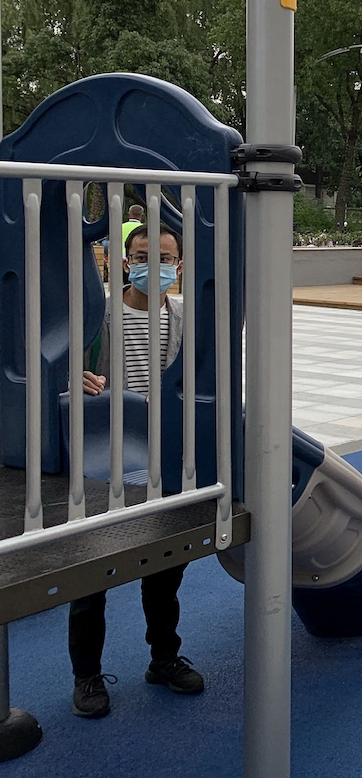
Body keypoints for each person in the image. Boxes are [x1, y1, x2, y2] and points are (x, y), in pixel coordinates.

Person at [74, 225, 203, 718]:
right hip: (104, 458)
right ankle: (86, 675)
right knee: (91, 570)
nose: (156, 266)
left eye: (166, 257)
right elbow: (61, 368)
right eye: (145, 256)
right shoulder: (99, 314)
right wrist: (74, 377)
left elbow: (200, 378)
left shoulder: (185, 318)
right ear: (126, 261)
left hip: (162, 456)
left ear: (181, 265)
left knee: (164, 565)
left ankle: (163, 657)